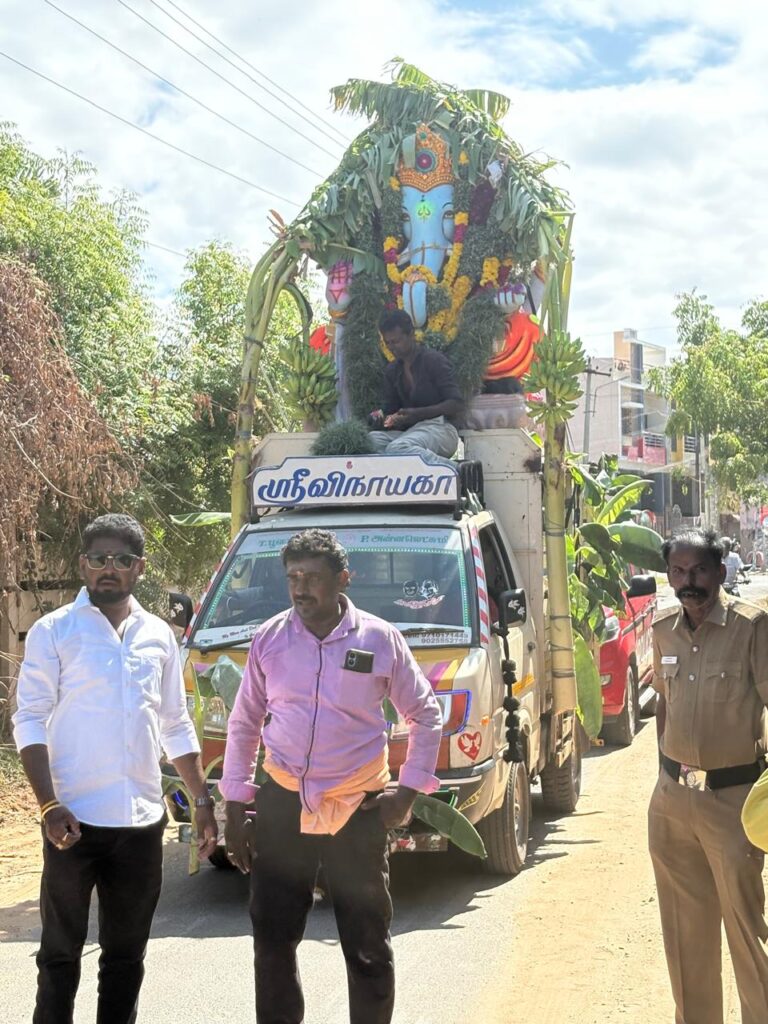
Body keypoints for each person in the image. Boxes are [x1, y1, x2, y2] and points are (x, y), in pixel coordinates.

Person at [221, 528, 442, 1024]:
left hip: (357, 809)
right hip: (283, 806)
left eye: (313, 578)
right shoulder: (270, 639)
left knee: (368, 946)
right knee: (273, 942)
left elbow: (425, 715)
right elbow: (245, 722)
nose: (301, 589)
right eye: (293, 577)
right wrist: (235, 806)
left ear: (344, 579)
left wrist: (406, 794)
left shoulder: (379, 639)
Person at [13, 513, 217, 1024]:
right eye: (99, 558)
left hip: (141, 824)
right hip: (72, 823)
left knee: (126, 958)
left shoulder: (159, 636)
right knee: (59, 954)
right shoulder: (54, 631)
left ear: (139, 567)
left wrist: (202, 799)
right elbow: (30, 718)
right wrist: (48, 805)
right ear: (83, 565)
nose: (109, 568)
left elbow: (174, 723)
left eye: (121, 560)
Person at [648, 528, 768, 1024]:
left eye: (698, 570)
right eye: (678, 571)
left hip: (733, 802)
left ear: (720, 571)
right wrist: (664, 778)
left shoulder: (752, 626)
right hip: (673, 802)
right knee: (685, 936)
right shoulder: (662, 629)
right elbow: (663, 705)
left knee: (747, 933)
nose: (688, 581)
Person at [368, 309, 464, 468]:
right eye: (387, 343)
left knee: (398, 448)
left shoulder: (434, 361)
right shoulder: (392, 370)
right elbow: (391, 409)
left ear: (411, 335)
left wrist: (417, 414)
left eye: (396, 341)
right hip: (409, 433)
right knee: (370, 441)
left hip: (440, 429)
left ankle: (456, 470)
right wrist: (380, 417)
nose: (391, 347)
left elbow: (456, 404)